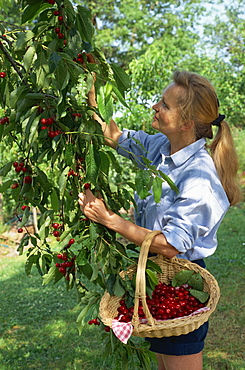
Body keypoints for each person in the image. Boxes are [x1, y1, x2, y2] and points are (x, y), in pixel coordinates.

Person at [78, 70, 242, 370]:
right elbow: (112, 135)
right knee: (163, 363)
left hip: (180, 281)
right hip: (152, 276)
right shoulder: (159, 148)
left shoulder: (199, 178)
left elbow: (169, 246)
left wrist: (108, 219)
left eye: (165, 105)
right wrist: (93, 90)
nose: (155, 107)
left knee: (178, 359)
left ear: (186, 123)